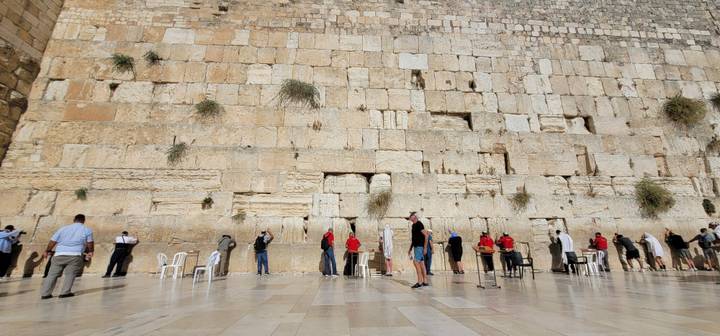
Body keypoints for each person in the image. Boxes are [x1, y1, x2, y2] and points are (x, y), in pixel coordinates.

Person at [41, 214, 94, 299]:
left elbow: (52, 241)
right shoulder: (87, 230)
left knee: (52, 275)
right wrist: (91, 251)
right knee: (70, 274)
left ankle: (45, 294)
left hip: (59, 254)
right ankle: (65, 292)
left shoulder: (63, 229)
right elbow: (90, 243)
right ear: (83, 220)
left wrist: (47, 251)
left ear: (74, 219)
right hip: (75, 255)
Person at [406, 212, 429, 288]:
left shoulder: (419, 224)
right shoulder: (413, 225)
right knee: (422, 263)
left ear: (414, 217)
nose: (410, 219)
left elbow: (426, 235)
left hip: (419, 247)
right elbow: (414, 239)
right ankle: (425, 281)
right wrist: (410, 248)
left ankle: (419, 282)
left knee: (416, 262)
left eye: (411, 217)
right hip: (416, 246)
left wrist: (425, 248)